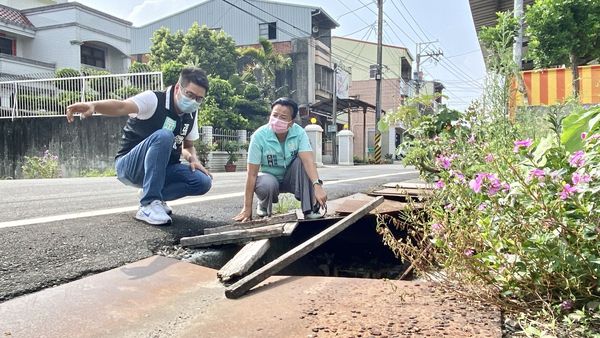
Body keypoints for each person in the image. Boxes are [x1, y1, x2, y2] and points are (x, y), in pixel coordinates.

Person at [66, 67, 213, 226]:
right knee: (164, 135)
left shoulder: (191, 114)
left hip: (162, 169)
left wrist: (193, 158)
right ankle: (148, 204)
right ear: (178, 87)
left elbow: (187, 145)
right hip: (129, 165)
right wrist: (94, 105)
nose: (193, 101)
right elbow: (121, 106)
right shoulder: (154, 99)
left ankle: (152, 193)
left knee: (202, 181)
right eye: (190, 95)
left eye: (199, 99)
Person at [233, 97, 327, 222]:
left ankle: (309, 209)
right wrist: (247, 207)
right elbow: (252, 174)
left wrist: (318, 186)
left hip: (292, 178)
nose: (277, 120)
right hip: (270, 178)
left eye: (283, 117)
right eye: (274, 115)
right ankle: (264, 205)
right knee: (265, 183)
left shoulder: (299, 133)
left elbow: (308, 161)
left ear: (291, 122)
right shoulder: (259, 136)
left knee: (301, 162)